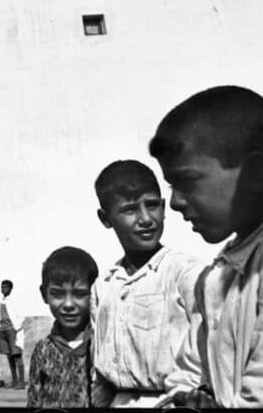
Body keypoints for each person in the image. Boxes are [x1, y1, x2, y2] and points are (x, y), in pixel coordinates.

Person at [150, 86, 263, 408]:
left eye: (187, 181)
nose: (174, 202)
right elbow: (189, 372)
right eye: (171, 186)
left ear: (255, 173)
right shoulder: (215, 275)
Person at [89, 159, 204, 407]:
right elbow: (100, 374)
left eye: (152, 205)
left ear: (164, 208)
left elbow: (209, 353)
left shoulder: (185, 273)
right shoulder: (104, 286)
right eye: (130, 210)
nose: (145, 219)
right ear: (105, 218)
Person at [27, 246, 98, 409]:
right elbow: (34, 401)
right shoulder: (43, 350)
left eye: (80, 294)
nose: (68, 304)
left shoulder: (100, 346)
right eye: (58, 294)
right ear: (44, 294)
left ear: (94, 294)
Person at [0, 279, 26, 389]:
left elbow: (21, 316)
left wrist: (16, 328)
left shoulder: (14, 301)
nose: (3, 289)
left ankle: (21, 382)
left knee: (16, 355)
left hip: (12, 330)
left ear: (10, 289)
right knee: (9, 356)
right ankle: (14, 380)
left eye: (6, 287)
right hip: (3, 330)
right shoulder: (1, 301)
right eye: (2, 287)